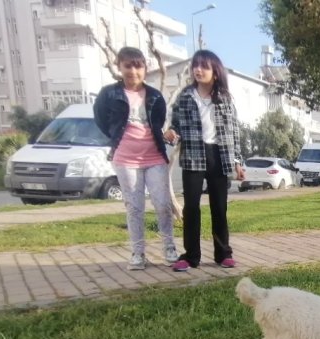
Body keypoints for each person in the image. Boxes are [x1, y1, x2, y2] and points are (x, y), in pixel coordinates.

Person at [93, 46, 178, 271]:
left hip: (154, 157)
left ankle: (169, 248)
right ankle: (138, 253)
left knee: (163, 204)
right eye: (128, 66)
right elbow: (101, 120)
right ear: (119, 67)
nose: (133, 71)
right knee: (134, 208)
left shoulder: (155, 95)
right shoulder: (108, 94)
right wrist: (117, 137)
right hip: (125, 159)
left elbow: (159, 122)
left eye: (138, 66)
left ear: (145, 68)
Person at [164, 49, 245, 272]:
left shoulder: (225, 99)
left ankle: (223, 254)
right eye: (195, 66)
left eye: (204, 66)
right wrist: (172, 134)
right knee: (191, 208)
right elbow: (176, 126)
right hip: (193, 155)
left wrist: (238, 161)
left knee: (219, 207)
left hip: (219, 156)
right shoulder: (185, 96)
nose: (198, 70)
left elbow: (234, 132)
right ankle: (191, 256)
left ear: (215, 72)